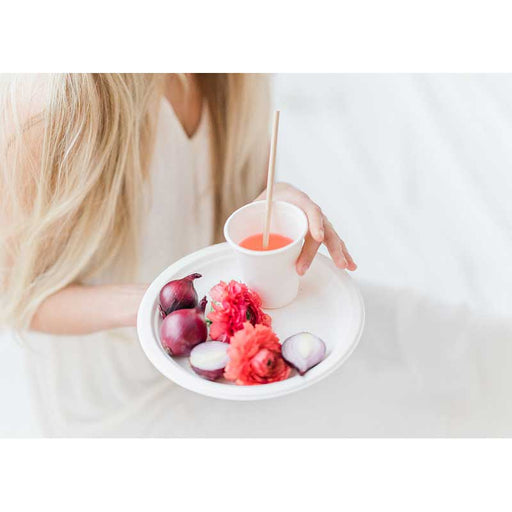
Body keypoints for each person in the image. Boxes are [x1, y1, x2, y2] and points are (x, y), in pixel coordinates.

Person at [0, 73, 356, 436]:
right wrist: (153, 305)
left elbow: (238, 204)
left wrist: (272, 205)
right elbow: (14, 295)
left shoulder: (236, 78)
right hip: (116, 399)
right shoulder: (50, 107)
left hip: (216, 368)